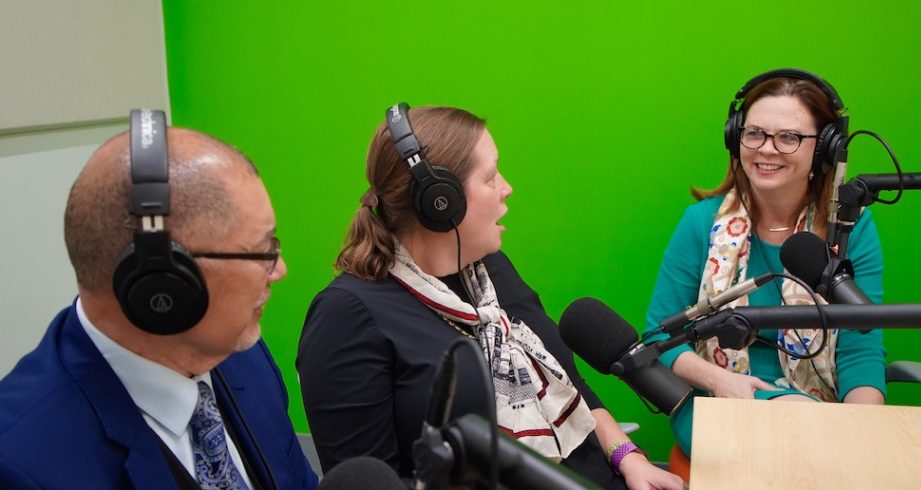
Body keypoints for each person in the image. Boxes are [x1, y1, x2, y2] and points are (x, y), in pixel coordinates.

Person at [297, 104, 683, 489]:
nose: (507, 187)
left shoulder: (488, 270)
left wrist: (628, 458)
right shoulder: (347, 315)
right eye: (491, 175)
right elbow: (368, 480)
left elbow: (571, 382)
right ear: (441, 201)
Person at [0, 111, 318, 489]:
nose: (279, 269)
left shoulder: (243, 357)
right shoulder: (20, 465)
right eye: (260, 251)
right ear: (160, 286)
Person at [644, 69, 887, 458]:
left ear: (824, 150)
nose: (766, 149)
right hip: (717, 402)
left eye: (789, 137)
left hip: (818, 410)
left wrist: (862, 438)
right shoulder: (700, 223)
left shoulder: (850, 230)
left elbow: (861, 350)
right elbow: (660, 339)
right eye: (754, 133)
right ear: (735, 137)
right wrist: (724, 384)